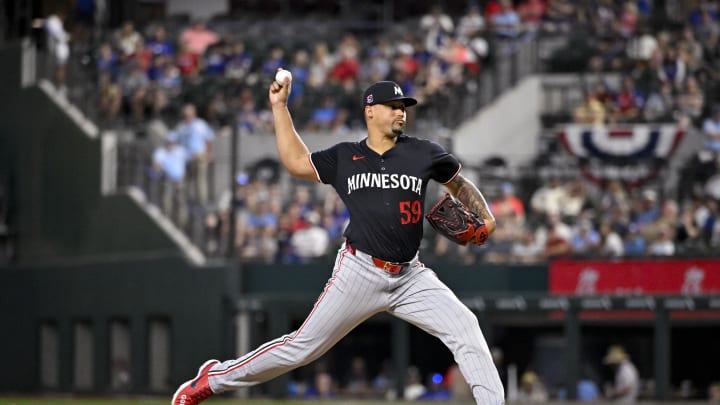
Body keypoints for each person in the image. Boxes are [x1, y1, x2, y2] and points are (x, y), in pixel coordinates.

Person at [171, 78, 502, 405]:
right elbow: (296, 162)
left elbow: (458, 183)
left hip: (410, 275)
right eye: (393, 107)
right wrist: (280, 107)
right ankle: (213, 379)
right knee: (300, 348)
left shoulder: (423, 152)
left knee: (465, 327)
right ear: (370, 111)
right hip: (360, 270)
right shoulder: (346, 157)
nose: (401, 113)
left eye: (403, 108)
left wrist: (485, 217)